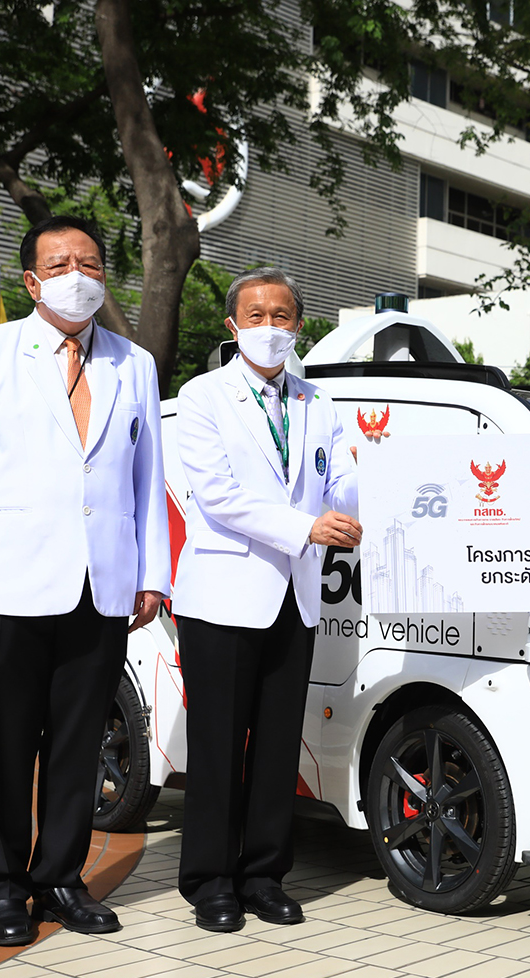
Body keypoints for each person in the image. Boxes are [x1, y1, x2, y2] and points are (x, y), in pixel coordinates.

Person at [0, 216, 168, 946]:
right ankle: (1, 887)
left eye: (91, 262)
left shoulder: (134, 363)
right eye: (61, 262)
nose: (78, 273)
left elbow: (146, 476)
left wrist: (150, 574)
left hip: (101, 588)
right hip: (7, 588)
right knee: (5, 747)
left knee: (77, 746)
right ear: (33, 281)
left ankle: (61, 877)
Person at [172, 266, 362, 932]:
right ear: (232, 326)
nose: (270, 328)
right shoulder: (203, 398)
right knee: (220, 743)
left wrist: (362, 503)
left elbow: (342, 478)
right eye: (256, 316)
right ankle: (210, 882)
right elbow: (219, 498)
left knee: (280, 745)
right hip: (222, 596)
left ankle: (263, 875)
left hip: (295, 595)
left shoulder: (320, 404)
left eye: (282, 315)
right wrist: (307, 526)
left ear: (299, 325)